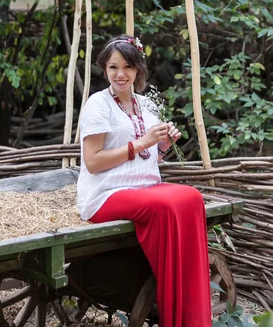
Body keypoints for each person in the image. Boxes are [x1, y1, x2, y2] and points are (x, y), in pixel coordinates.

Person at [76, 34, 212, 327]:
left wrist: (161, 146)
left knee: (191, 197)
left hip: (144, 188)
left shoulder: (144, 105)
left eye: (127, 67)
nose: (120, 74)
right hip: (106, 193)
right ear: (105, 70)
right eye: (113, 67)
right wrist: (140, 143)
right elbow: (93, 161)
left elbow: (148, 160)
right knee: (165, 206)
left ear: (138, 69)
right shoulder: (98, 105)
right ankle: (172, 307)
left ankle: (193, 309)